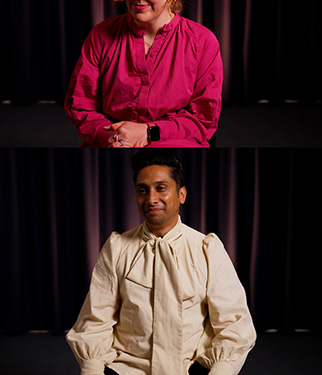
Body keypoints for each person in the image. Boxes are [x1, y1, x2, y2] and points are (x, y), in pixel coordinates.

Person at [66, 150, 256, 374]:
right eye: (142, 191)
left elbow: (233, 324)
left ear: (181, 194)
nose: (151, 199)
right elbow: (95, 321)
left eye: (161, 188)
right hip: (127, 368)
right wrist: (93, 370)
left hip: (191, 367)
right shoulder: (117, 248)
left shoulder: (207, 249)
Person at [65, 0, 223, 147]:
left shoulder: (203, 42)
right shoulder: (101, 35)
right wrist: (113, 138)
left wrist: (149, 132)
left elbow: (203, 119)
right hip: (111, 140)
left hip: (172, 142)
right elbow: (80, 105)